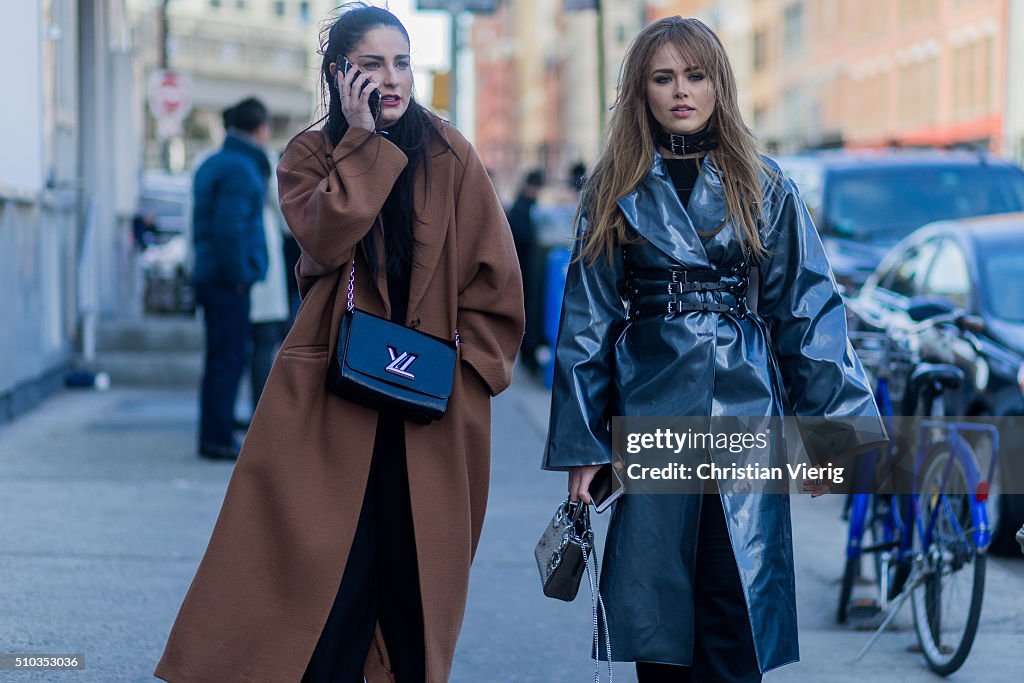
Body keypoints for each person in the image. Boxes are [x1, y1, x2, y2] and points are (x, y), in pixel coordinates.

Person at [155, 4, 524, 682]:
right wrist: (364, 141)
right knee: (325, 583)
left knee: (414, 588)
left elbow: (496, 281)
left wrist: (470, 375)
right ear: (339, 73)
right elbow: (325, 240)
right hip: (335, 399)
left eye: (403, 62)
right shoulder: (309, 154)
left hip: (430, 407)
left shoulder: (451, 153)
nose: (392, 77)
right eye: (373, 64)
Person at [542, 17, 886, 682]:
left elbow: (807, 307)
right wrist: (582, 444)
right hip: (651, 406)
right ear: (640, 89)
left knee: (735, 607)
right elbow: (587, 319)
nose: (681, 91)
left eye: (695, 76)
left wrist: (829, 434)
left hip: (743, 407)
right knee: (659, 612)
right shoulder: (614, 185)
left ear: (719, 85)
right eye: (663, 77)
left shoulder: (764, 182)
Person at [191, 97, 270, 460]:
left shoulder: (217, 162)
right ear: (260, 129)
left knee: (220, 358)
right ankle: (217, 438)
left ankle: (216, 431)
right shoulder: (241, 169)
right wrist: (241, 276)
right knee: (228, 360)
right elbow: (230, 229)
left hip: (214, 277)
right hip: (227, 281)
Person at [248, 146, 292, 413]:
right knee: (265, 346)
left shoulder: (211, 164)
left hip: (246, 284)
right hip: (266, 282)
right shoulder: (262, 160)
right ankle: (262, 412)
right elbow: (286, 217)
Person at [506, 169, 544, 373]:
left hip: (522, 269)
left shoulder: (520, 206)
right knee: (529, 311)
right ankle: (528, 355)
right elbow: (524, 236)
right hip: (525, 269)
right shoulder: (524, 208)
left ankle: (527, 354)